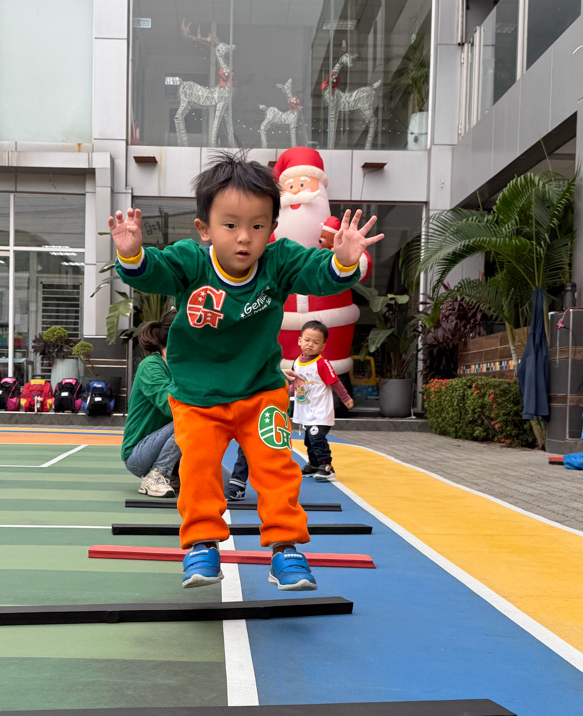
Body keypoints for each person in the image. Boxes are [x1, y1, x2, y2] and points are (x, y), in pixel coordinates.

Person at [110, 151, 383, 592]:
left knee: (276, 468)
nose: (244, 238)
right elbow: (154, 272)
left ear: (272, 229)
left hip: (260, 393)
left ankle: (285, 549)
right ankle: (202, 544)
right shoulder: (192, 262)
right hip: (198, 397)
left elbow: (319, 273)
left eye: (257, 227)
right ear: (204, 228)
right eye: (230, 225)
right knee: (198, 469)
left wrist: (343, 260)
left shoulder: (279, 261)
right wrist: (132, 253)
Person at [121, 315, 180, 498]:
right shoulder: (151, 367)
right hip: (139, 455)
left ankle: (174, 475)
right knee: (190, 419)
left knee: (225, 486)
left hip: (177, 451)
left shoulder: (184, 367)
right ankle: (157, 475)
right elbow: (170, 406)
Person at [290, 320, 353, 481]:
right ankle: (313, 464)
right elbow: (294, 384)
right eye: (307, 340)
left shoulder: (322, 363)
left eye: (316, 342)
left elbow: (335, 382)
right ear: (300, 340)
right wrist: (284, 394)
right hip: (305, 410)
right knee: (308, 439)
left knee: (316, 438)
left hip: (320, 411)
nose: (310, 344)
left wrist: (345, 398)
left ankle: (326, 465)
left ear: (323, 346)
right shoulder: (296, 363)